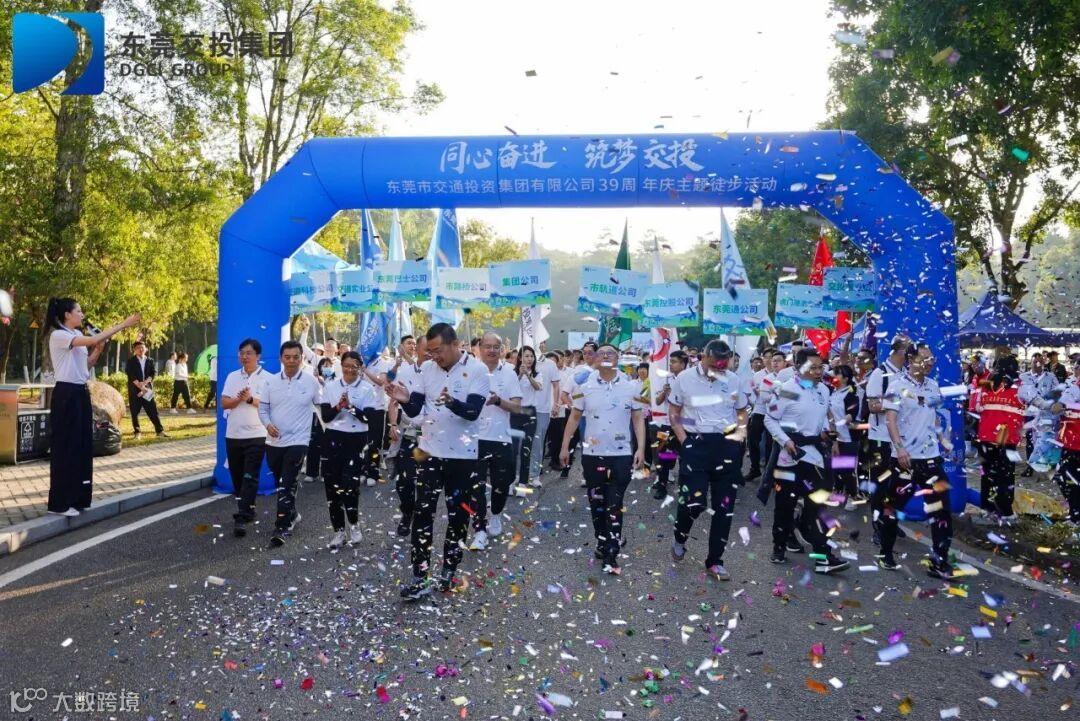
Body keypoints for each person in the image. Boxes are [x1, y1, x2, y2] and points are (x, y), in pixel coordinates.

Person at [386, 323, 489, 600]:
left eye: (438, 350)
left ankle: (449, 571)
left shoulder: (478, 370)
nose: (433, 356)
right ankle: (420, 576)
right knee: (422, 513)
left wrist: (451, 401)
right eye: (429, 351)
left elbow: (473, 412)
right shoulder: (427, 370)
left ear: (455, 344)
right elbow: (417, 410)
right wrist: (404, 400)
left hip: (463, 457)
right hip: (430, 453)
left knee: (458, 516)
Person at [45, 299, 140, 516]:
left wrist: (98, 350)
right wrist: (124, 324)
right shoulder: (59, 335)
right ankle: (59, 504)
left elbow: (85, 366)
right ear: (67, 314)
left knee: (81, 446)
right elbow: (95, 337)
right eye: (78, 311)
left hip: (80, 392)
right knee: (66, 447)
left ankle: (78, 499)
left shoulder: (75, 336)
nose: (82, 314)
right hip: (66, 394)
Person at [559, 343, 646, 575]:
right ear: (596, 358)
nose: (606, 356)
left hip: (621, 455)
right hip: (592, 455)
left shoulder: (632, 387)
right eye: (602, 353)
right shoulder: (584, 387)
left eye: (611, 353)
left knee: (614, 504)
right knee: (597, 503)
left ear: (618, 359)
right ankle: (602, 538)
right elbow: (574, 417)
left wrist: (640, 449)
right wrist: (565, 446)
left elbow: (638, 419)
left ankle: (612, 552)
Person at [667, 340, 749, 580]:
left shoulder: (734, 380)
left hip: (726, 445)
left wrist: (739, 437)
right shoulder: (684, 378)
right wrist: (684, 440)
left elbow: (741, 411)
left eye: (722, 366)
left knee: (724, 507)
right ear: (703, 357)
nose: (718, 370)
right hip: (696, 444)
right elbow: (674, 412)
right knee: (694, 502)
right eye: (714, 365)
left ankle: (715, 561)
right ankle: (680, 537)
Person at [764, 347, 849, 573]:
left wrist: (829, 436)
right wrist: (785, 441)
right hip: (790, 457)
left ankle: (823, 556)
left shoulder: (823, 390)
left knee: (817, 507)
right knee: (785, 506)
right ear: (798, 367)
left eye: (820, 367)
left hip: (815, 456)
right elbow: (770, 419)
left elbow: (822, 419)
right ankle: (779, 546)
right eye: (813, 368)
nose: (818, 372)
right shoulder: (787, 390)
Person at [882, 343, 954, 577]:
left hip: (931, 459)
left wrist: (943, 440)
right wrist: (899, 448)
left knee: (941, 511)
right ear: (910, 359)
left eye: (931, 358)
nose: (929, 362)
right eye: (924, 358)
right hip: (905, 460)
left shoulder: (933, 386)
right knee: (893, 508)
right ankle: (886, 552)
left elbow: (934, 418)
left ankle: (939, 561)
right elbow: (890, 420)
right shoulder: (896, 385)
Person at [258, 340, 322, 547]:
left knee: (288, 483)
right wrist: (268, 425)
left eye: (296, 357)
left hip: (299, 441)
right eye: (287, 357)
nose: (292, 361)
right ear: (281, 358)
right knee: (281, 483)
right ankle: (292, 513)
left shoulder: (311, 382)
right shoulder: (270, 382)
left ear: (302, 358)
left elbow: (322, 408)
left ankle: (281, 527)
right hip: (274, 441)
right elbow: (263, 409)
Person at [974, 354, 1046, 522]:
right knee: (1005, 475)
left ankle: (987, 509)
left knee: (987, 474)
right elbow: (1042, 404)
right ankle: (1005, 511)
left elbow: (977, 407)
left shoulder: (985, 384)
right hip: (1007, 440)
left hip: (985, 438)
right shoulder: (1022, 387)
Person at [469, 332, 524, 551]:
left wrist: (498, 401)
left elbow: (517, 407)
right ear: (479, 348)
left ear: (501, 350)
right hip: (474, 439)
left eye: (496, 347)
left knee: (502, 484)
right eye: (487, 346)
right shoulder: (471, 371)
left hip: (501, 439)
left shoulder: (509, 373)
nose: (491, 350)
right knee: (476, 487)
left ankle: (496, 514)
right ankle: (479, 530)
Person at [318, 351, 376, 548]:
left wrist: (350, 407)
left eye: (354, 366)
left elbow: (368, 418)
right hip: (333, 438)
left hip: (355, 440)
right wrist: (338, 407)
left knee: (350, 486)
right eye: (346, 365)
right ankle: (339, 531)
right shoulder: (331, 386)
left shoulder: (368, 389)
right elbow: (325, 416)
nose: (350, 370)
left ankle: (353, 524)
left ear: (360, 368)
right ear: (341, 366)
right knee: (332, 486)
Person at [864, 337, 909, 545]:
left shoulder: (907, 374)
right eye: (909, 349)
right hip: (880, 437)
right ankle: (877, 526)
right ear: (900, 351)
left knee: (898, 485)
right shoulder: (879, 373)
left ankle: (890, 520)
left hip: (900, 438)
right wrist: (896, 402)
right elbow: (872, 405)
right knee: (880, 484)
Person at [222, 338, 269, 538]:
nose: (244, 356)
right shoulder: (232, 376)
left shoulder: (268, 378)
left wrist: (250, 399)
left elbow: (269, 405)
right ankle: (248, 509)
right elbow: (225, 403)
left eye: (249, 353)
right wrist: (238, 399)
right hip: (234, 434)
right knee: (238, 477)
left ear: (258, 355)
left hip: (256, 434)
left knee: (250, 475)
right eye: (241, 353)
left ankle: (241, 517)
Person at [387, 335, 426, 537]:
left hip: (432, 439)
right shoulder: (405, 372)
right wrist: (393, 424)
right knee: (405, 481)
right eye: (426, 350)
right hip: (410, 435)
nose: (431, 354)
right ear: (417, 350)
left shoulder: (442, 373)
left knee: (427, 483)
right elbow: (393, 402)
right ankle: (407, 513)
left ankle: (423, 519)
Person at [649, 350, 688, 499]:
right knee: (664, 457)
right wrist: (664, 392)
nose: (671, 365)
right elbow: (658, 402)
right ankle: (662, 485)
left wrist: (674, 394)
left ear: (683, 364)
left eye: (674, 362)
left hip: (684, 425)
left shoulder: (690, 380)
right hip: (666, 424)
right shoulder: (667, 379)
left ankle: (684, 487)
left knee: (684, 457)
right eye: (670, 361)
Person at [1051, 357, 1080, 527]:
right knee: (1064, 477)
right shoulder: (1072, 387)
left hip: (1074, 444)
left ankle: (1076, 516)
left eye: (1076, 368)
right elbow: (1056, 408)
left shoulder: (1074, 388)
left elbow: (1057, 407)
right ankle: (1075, 512)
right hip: (1070, 442)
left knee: (1069, 479)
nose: (1075, 371)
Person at [746, 348, 781, 482]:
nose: (769, 360)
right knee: (752, 440)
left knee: (770, 444)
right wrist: (756, 399)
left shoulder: (782, 375)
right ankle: (754, 468)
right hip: (759, 411)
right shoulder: (757, 375)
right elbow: (753, 394)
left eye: (771, 357)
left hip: (774, 413)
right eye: (766, 357)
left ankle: (769, 472)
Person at [830, 364, 861, 507]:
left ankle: (853, 497)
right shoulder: (832, 392)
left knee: (848, 469)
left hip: (848, 437)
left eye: (837, 374)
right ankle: (838, 492)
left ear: (846, 378)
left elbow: (851, 415)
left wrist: (838, 423)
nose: (833, 377)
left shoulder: (851, 393)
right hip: (834, 436)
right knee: (836, 467)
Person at [530, 342, 561, 482]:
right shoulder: (521, 363)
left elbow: (556, 385)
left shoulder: (550, 364)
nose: (539, 345)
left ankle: (534, 474)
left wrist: (556, 404)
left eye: (542, 342)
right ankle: (519, 475)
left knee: (538, 444)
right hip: (522, 410)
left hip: (542, 409)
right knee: (521, 444)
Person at [126, 340, 168, 440]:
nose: (141, 349)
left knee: (153, 411)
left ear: (146, 349)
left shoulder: (150, 360)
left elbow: (153, 373)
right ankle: (137, 432)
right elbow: (130, 374)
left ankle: (160, 431)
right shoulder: (131, 361)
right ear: (134, 350)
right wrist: (140, 386)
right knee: (134, 412)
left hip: (147, 390)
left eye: (142, 347)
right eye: (138, 348)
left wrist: (145, 383)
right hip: (135, 390)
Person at [303, 357, 335, 485]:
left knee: (327, 445)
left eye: (329, 365)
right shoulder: (313, 379)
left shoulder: (336, 380)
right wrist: (316, 379)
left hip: (329, 414)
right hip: (315, 413)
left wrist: (322, 381)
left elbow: (334, 393)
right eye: (324, 365)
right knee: (313, 444)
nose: (327, 368)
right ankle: (311, 472)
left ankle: (325, 472)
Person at [362, 350, 391, 484]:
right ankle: (363, 470)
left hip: (377, 407)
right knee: (363, 441)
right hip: (362, 406)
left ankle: (373, 473)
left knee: (374, 442)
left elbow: (381, 382)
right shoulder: (363, 362)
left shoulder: (382, 363)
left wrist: (365, 371)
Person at [514, 346, 542, 487]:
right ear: (520, 358)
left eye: (531, 356)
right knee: (513, 449)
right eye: (526, 356)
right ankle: (512, 479)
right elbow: (510, 388)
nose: (529, 359)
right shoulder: (512, 373)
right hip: (515, 412)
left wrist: (528, 376)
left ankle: (523, 482)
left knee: (526, 449)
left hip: (530, 413)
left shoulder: (537, 374)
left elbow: (538, 387)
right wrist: (520, 374)